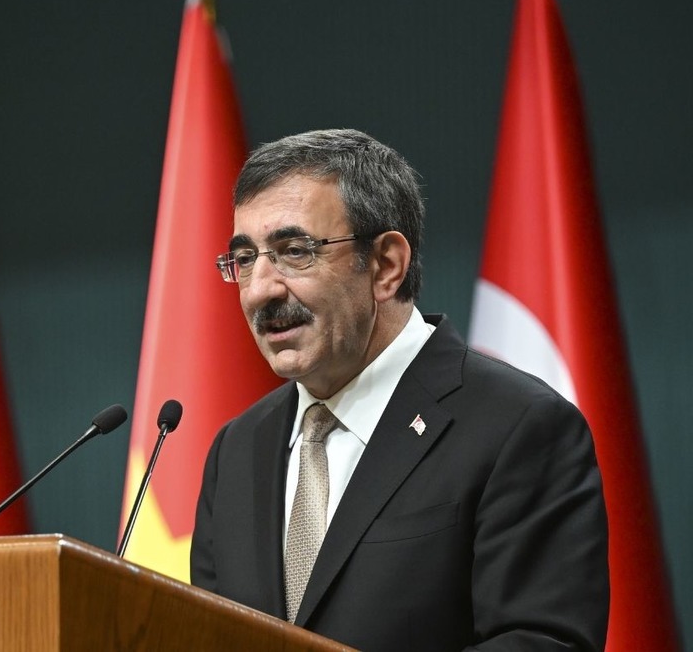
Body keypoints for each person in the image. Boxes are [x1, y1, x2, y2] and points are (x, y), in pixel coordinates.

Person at [190, 129, 609, 651]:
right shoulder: (237, 449)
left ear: (386, 265)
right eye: (244, 259)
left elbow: (541, 642)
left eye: (294, 252)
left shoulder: (517, 427)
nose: (259, 290)